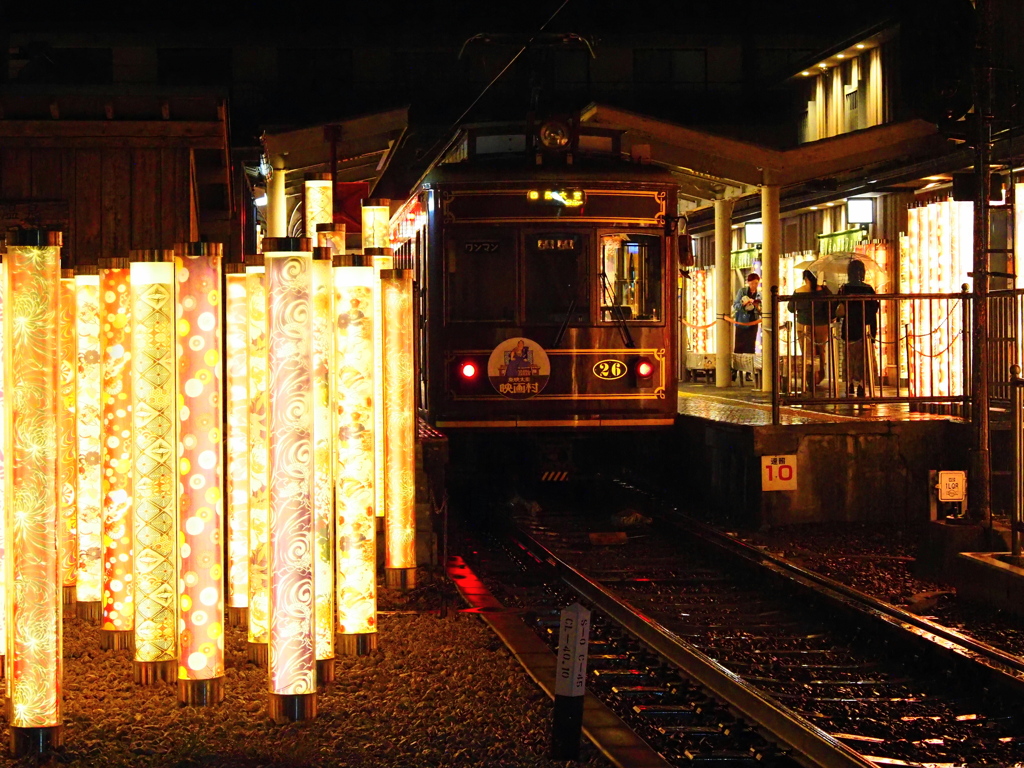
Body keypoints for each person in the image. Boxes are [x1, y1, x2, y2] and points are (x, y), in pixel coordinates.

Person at [835, 260, 879, 397]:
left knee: (849, 358)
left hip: (849, 327)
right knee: (863, 359)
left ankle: (849, 384)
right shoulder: (868, 289)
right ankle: (860, 384)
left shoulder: (844, 289)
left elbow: (838, 308)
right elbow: (874, 309)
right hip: (865, 327)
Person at [790, 270, 831, 388]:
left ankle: (810, 378)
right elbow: (830, 306)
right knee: (820, 351)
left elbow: (791, 308)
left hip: (803, 325)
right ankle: (819, 375)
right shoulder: (823, 291)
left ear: (806, 279)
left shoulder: (798, 291)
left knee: (807, 353)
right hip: (821, 324)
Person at [732, 272, 761, 355]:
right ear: (748, 283)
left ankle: (749, 366)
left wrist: (757, 306)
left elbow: (761, 311)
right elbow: (735, 305)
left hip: (753, 322)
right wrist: (744, 303)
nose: (754, 285)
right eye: (752, 283)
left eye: (756, 283)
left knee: (751, 346)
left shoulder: (759, 294)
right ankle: (738, 366)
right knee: (739, 346)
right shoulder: (742, 291)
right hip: (742, 322)